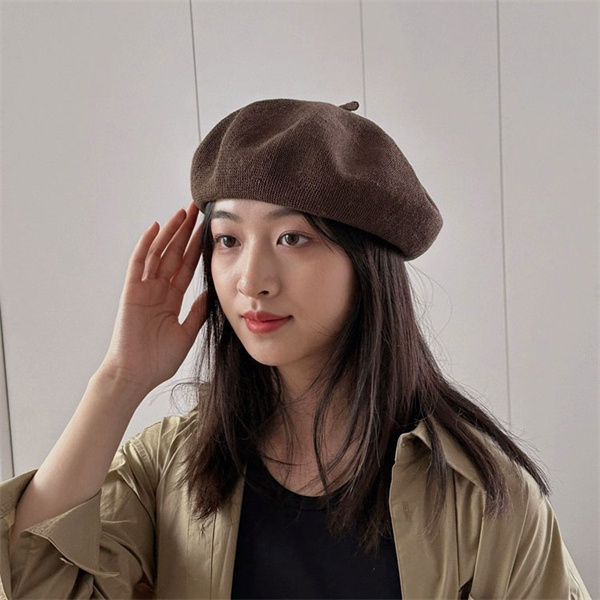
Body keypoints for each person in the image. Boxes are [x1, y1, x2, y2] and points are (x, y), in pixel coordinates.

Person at [0, 98, 591, 600]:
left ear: (367, 263)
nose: (251, 279)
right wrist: (120, 379)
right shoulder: (174, 466)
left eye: (292, 237)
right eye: (228, 239)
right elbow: (36, 581)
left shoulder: (482, 496)